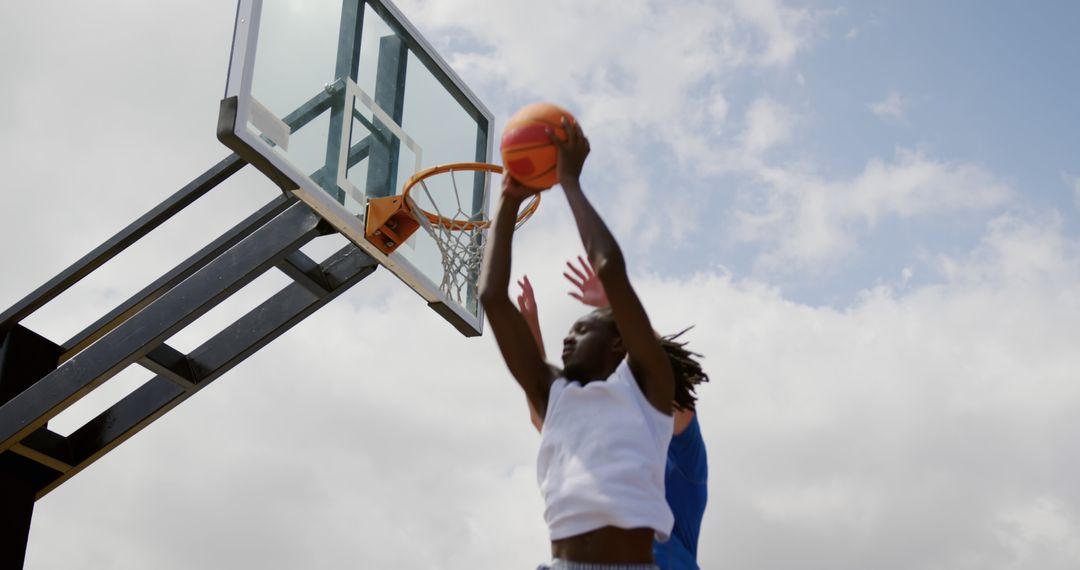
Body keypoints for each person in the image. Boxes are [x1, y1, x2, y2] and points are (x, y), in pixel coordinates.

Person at [478, 118, 705, 569]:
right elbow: (491, 297)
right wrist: (506, 204)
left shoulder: (647, 393)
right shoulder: (558, 397)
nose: (568, 337)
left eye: (582, 329)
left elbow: (611, 268)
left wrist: (569, 184)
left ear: (620, 343)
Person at [516, 259, 708, 570]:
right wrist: (530, 341)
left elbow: (664, 372)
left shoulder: (679, 455)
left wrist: (613, 307)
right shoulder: (600, 438)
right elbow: (546, 417)